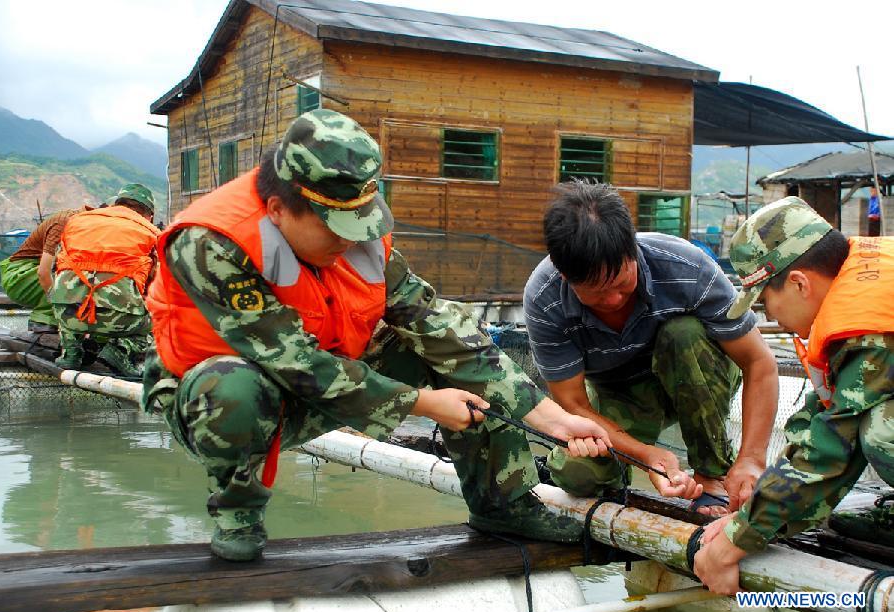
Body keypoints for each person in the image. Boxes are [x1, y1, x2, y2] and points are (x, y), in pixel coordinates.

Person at [141, 109, 614, 562]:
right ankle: (238, 514)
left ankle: (502, 502)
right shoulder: (210, 244)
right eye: (334, 229)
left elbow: (437, 324)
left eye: (357, 225)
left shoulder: (360, 236)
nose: (349, 241)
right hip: (218, 402)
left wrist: (548, 416)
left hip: (334, 378)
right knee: (234, 385)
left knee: (445, 352)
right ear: (279, 210)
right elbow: (295, 363)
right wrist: (423, 404)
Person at [523, 181, 779, 514]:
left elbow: (759, 363)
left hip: (699, 374)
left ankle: (712, 474)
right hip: (620, 392)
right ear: (564, 277)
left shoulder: (687, 268)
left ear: (633, 249)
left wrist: (751, 460)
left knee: (682, 333)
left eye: (621, 283)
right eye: (596, 293)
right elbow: (573, 403)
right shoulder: (545, 298)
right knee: (578, 476)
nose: (613, 300)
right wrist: (648, 457)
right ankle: (613, 475)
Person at [694, 196, 894, 594]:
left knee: (882, 432)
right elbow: (824, 417)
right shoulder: (864, 277)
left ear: (800, 282)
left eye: (767, 303)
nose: (773, 320)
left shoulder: (869, 333)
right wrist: (749, 516)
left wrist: (730, 545)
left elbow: (831, 450)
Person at [51, 184, 160, 377]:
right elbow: (159, 287)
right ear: (149, 214)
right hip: (120, 319)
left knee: (67, 294)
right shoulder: (150, 231)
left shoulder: (77, 221)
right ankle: (122, 350)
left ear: (116, 203)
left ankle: (71, 354)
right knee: (161, 316)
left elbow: (56, 270)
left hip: (67, 315)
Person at [0, 208, 85, 333]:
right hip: (20, 278)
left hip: (34, 274)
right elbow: (43, 272)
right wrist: (58, 305)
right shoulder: (64, 222)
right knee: (71, 276)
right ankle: (44, 319)